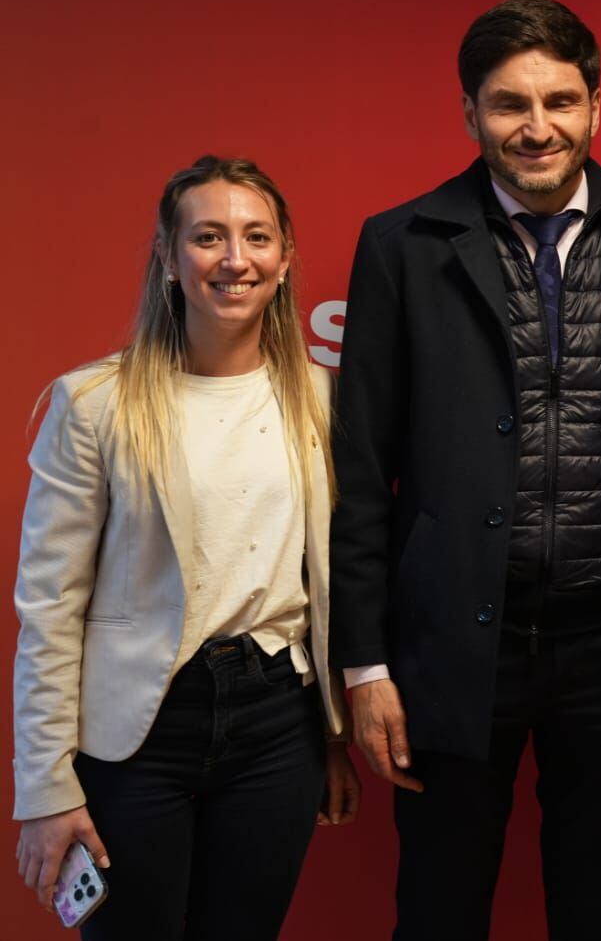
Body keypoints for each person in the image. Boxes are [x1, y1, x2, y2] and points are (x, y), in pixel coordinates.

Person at [330, 0, 601, 941]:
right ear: (470, 113)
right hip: (450, 643)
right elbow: (361, 472)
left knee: (600, 914)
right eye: (509, 104)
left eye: (561, 100)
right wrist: (365, 665)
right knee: (437, 911)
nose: (537, 127)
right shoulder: (401, 245)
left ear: (596, 107)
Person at [12, 156, 359, 940]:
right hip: (137, 733)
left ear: (284, 258)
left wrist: (333, 739)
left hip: (278, 722)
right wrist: (44, 789)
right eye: (208, 237)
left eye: (256, 237)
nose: (234, 259)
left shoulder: (324, 399)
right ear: (169, 258)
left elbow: (334, 584)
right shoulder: (95, 404)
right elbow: (49, 610)